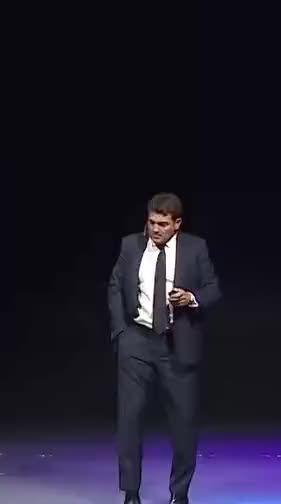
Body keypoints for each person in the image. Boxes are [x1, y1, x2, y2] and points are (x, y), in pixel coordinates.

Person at [108, 192, 222, 504]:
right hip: (137, 341)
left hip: (177, 344)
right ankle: (131, 492)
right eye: (151, 222)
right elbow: (115, 285)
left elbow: (213, 288)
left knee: (184, 424)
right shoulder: (130, 246)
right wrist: (120, 333)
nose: (155, 229)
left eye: (162, 224)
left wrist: (191, 298)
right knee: (129, 420)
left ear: (177, 224)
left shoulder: (195, 248)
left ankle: (179, 493)